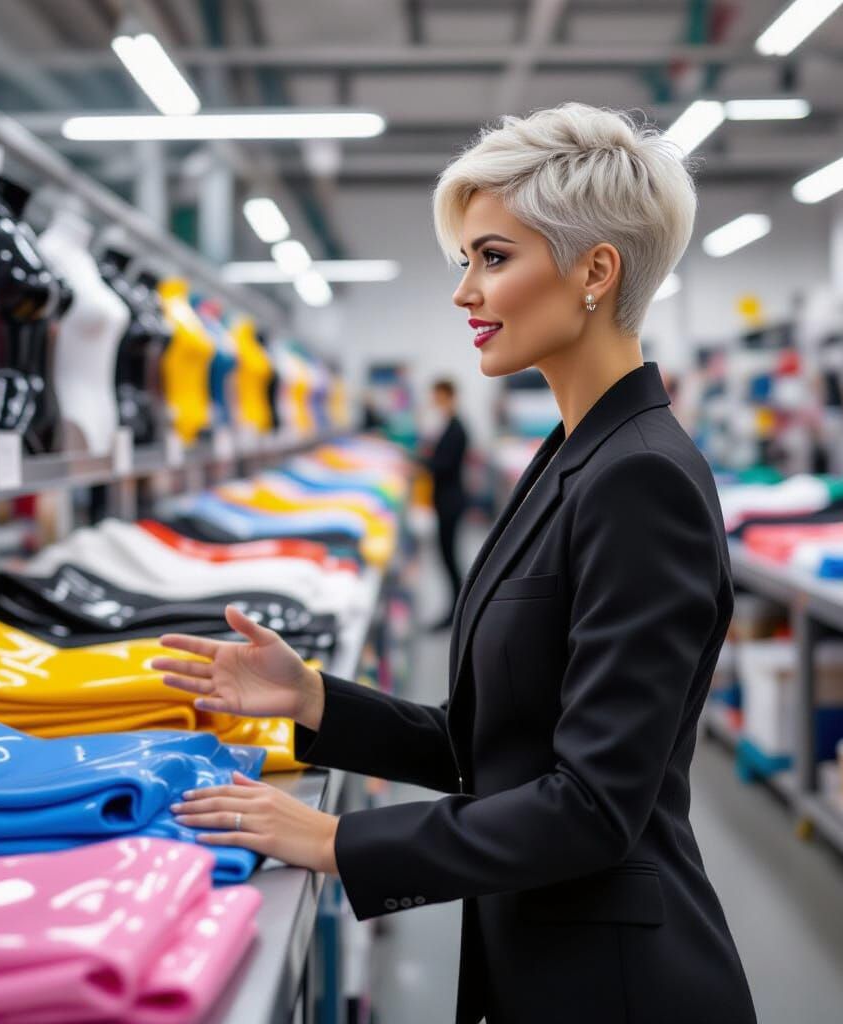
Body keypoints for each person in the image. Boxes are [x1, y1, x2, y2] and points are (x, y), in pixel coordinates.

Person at [153, 102, 757, 1024]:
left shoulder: (641, 480)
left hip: (619, 987)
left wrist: (340, 841)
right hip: (546, 955)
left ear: (596, 270)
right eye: (465, 261)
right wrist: (317, 700)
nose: (464, 292)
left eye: (493, 258)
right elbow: (505, 749)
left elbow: (592, 804)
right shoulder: (573, 454)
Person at [421, 378, 469, 630]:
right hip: (445, 500)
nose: (434, 401)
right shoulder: (449, 426)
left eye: (437, 396)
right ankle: (455, 609)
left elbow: (443, 465)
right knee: (447, 558)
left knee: (449, 558)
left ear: (448, 396)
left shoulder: (456, 428)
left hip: (450, 502)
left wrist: (419, 463)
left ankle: (456, 611)